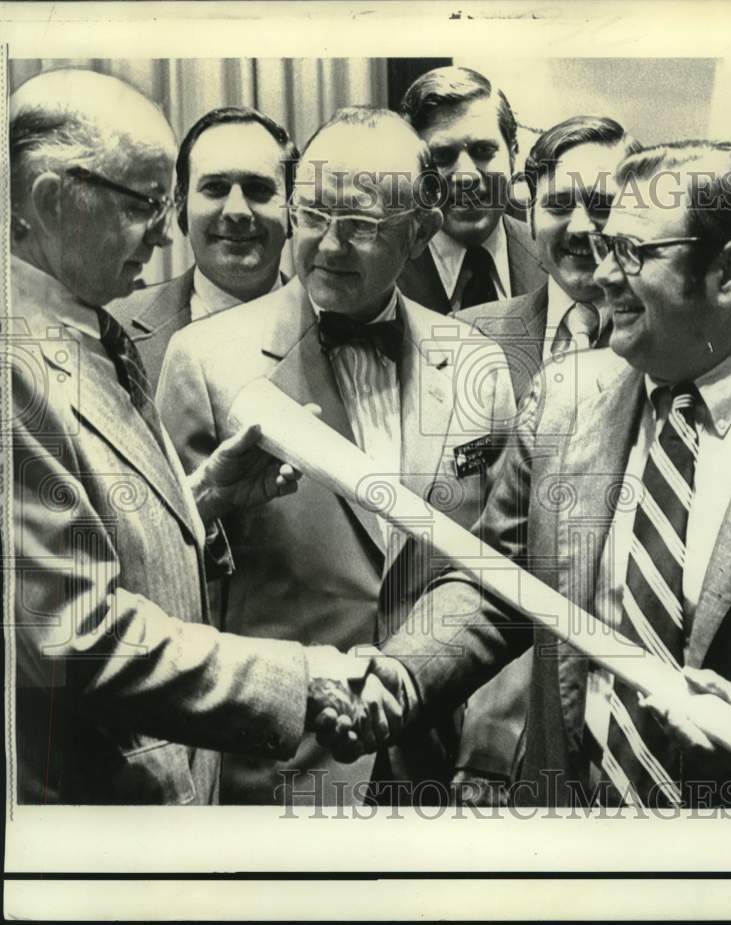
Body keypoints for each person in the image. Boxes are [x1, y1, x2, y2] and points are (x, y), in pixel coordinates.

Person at [327, 141, 731, 808]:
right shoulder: (565, 399)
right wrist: (401, 673)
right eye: (606, 247)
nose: (602, 275)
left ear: (729, 271)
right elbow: (495, 586)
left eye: (631, 252)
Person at [9, 68, 361, 805]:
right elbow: (76, 635)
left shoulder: (85, 326)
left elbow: (93, 537)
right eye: (143, 204)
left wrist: (197, 502)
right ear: (47, 201)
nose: (166, 232)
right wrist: (296, 677)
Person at [157, 106, 521, 806]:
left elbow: (502, 572)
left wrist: (488, 756)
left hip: (439, 776)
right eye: (313, 214)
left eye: (358, 224)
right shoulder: (205, 361)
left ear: (419, 232)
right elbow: (166, 585)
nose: (328, 244)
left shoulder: (475, 362)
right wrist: (207, 508)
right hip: (278, 777)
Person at [110, 107, 298, 391]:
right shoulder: (110, 328)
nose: (236, 211)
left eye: (258, 189)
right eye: (215, 188)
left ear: (294, 209)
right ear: (181, 204)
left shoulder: (335, 331)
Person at [458, 114, 641, 402]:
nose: (579, 227)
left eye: (602, 206)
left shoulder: (670, 341)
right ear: (530, 218)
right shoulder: (468, 335)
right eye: (559, 205)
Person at [397, 66, 547, 313]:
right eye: (442, 156)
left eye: (483, 151)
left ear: (513, 154)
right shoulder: (385, 268)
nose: (466, 176)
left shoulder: (551, 256)